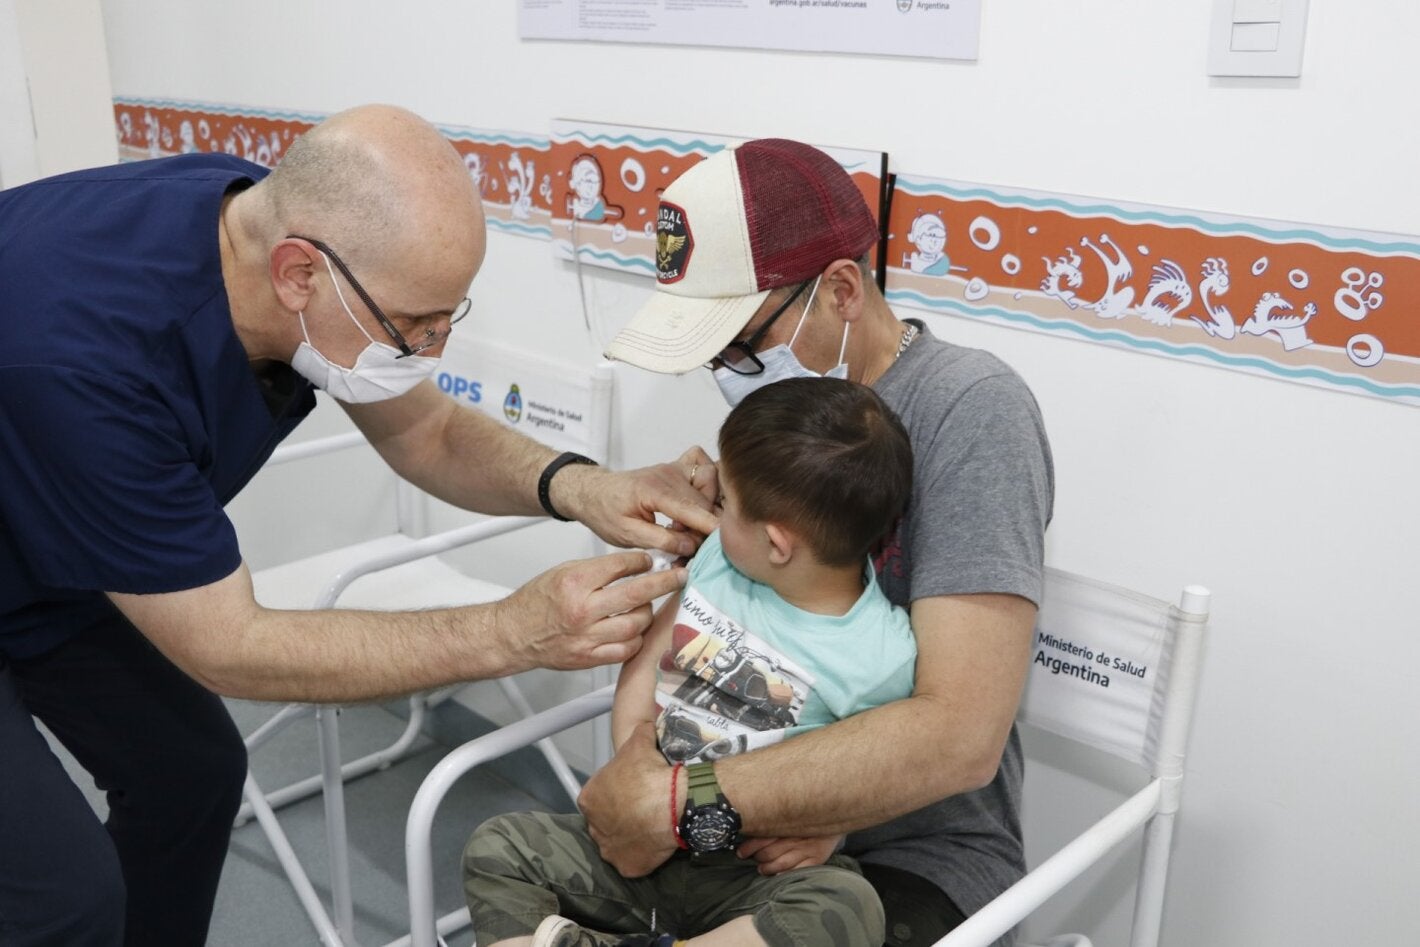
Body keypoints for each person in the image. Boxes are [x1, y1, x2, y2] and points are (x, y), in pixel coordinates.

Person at [0, 104, 717, 947]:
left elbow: (430, 431)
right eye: (416, 324)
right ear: (298, 275)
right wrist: (511, 632)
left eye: (452, 317)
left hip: (45, 532)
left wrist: (582, 485)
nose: (434, 348)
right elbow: (229, 644)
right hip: (40, 479)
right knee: (63, 901)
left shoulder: (264, 221)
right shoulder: (87, 359)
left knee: (191, 772)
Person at [589, 138, 1055, 946]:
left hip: (907, 849)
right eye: (712, 357)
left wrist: (678, 803)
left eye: (739, 346)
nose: (727, 375)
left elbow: (959, 737)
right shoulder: (792, 408)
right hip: (735, 815)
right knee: (521, 874)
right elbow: (705, 655)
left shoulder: (972, 410)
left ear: (840, 289)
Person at [464, 376, 918, 947]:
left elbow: (869, 772)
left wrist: (830, 832)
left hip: (748, 873)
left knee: (844, 906)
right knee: (499, 846)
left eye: (724, 503)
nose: (709, 510)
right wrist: (633, 759)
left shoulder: (880, 656)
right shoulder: (716, 568)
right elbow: (648, 664)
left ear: (777, 544)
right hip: (641, 834)